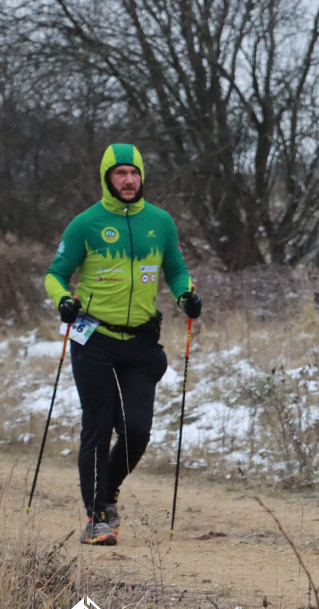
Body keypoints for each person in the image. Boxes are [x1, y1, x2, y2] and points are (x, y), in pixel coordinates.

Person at [44, 143, 202, 546]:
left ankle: (109, 490)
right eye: (120, 174)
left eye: (134, 173)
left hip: (141, 345)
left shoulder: (161, 222)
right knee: (97, 428)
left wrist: (185, 296)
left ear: (142, 176)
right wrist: (63, 299)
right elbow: (56, 274)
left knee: (136, 431)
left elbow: (176, 270)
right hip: (93, 339)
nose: (128, 180)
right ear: (106, 178)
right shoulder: (86, 224)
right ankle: (96, 519)